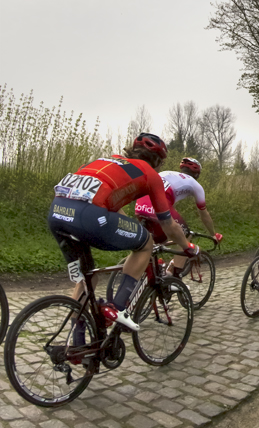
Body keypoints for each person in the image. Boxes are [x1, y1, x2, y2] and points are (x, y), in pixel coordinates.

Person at [47, 133, 198, 331]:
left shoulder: (107, 160)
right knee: (145, 243)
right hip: (89, 216)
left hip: (57, 213)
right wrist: (187, 247)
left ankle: (78, 342)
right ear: (158, 161)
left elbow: (108, 203)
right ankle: (117, 309)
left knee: (87, 278)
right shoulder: (150, 174)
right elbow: (168, 224)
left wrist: (129, 227)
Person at [134, 156, 223, 278]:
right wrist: (213, 234)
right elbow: (204, 214)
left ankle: (154, 265)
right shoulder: (195, 185)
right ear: (197, 174)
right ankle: (173, 275)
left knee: (155, 240)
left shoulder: (167, 173)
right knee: (185, 235)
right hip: (157, 207)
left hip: (140, 205)